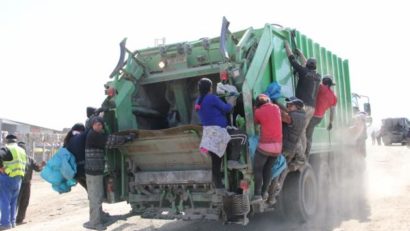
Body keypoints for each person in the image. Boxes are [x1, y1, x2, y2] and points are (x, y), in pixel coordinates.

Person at [196, 78, 235, 191]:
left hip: (208, 133)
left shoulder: (198, 100)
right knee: (235, 139)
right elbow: (226, 108)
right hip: (218, 132)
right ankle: (219, 182)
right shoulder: (212, 98)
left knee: (216, 160)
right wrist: (231, 101)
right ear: (210, 88)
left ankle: (217, 181)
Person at [285, 42, 321, 162]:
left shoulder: (303, 72)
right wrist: (301, 53)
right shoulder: (317, 76)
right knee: (303, 131)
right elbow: (306, 64)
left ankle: (301, 156)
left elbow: (292, 60)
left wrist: (287, 47)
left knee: (300, 131)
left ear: (307, 65)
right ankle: (301, 154)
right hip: (312, 107)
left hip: (304, 107)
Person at [253, 94, 282, 201]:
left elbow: (255, 122)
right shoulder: (276, 108)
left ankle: (257, 195)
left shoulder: (258, 111)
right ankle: (264, 192)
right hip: (278, 147)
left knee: (258, 169)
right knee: (268, 169)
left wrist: (255, 108)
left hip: (265, 147)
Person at [83, 117, 109, 230]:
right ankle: (94, 223)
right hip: (93, 172)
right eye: (97, 124)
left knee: (97, 196)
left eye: (101, 125)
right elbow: (109, 141)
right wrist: (126, 138)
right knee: (95, 197)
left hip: (95, 171)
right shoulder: (93, 135)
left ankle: (98, 218)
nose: (100, 127)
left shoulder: (95, 134)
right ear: (93, 125)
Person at [305, 75, 337, 156]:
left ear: (324, 81)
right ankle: (305, 154)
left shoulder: (321, 88)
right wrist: (331, 122)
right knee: (308, 134)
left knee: (306, 134)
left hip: (312, 115)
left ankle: (305, 155)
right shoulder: (333, 96)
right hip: (319, 118)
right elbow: (332, 111)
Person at [0, 134, 27, 230]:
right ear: (15, 141)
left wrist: (1, 168)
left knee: (4, 201)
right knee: (13, 202)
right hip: (18, 179)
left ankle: (5, 224)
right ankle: (12, 222)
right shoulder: (22, 151)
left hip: (7, 177)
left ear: (7, 141)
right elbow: (26, 165)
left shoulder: (7, 148)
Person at [16, 142, 45, 225]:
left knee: (25, 201)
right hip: (17, 183)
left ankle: (20, 219)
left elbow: (37, 169)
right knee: (16, 202)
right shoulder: (15, 159)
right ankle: (12, 219)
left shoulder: (30, 159)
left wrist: (42, 165)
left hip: (27, 184)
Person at [281, 97, 306, 164]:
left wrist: (270, 105)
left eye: (290, 105)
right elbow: (286, 111)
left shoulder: (294, 116)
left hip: (286, 148)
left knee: (277, 168)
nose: (288, 107)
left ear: (297, 107)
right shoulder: (301, 115)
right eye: (287, 105)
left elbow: (282, 116)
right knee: (283, 167)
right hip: (291, 148)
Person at [64, 123, 88, 189]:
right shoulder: (81, 137)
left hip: (74, 172)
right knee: (92, 191)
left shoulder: (67, 141)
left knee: (89, 190)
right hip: (83, 169)